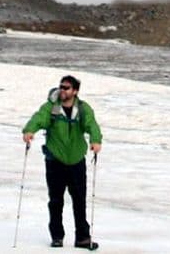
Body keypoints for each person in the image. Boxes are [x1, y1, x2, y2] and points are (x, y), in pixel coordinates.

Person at [22, 75, 102, 249]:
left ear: (75, 91)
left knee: (79, 201)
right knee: (56, 201)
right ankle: (57, 237)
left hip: (76, 161)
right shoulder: (52, 107)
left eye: (66, 88)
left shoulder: (82, 109)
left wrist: (96, 140)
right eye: (61, 87)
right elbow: (39, 118)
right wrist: (29, 130)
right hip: (55, 161)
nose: (62, 90)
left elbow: (92, 125)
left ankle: (82, 238)